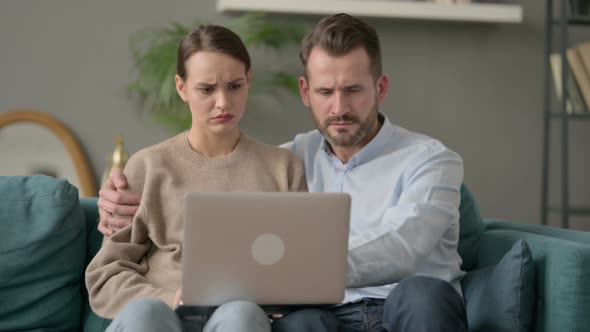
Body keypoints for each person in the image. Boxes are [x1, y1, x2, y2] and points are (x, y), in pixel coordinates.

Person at [97, 13, 469, 332]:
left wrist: (302, 267)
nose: (339, 107)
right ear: (305, 92)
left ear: (380, 87)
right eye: (325, 92)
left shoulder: (431, 160)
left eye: (353, 90)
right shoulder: (290, 159)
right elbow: (230, 166)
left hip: (405, 304)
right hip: (327, 314)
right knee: (302, 322)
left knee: (421, 294)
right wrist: (111, 198)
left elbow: (407, 244)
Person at [85, 24, 307, 332]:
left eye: (234, 86)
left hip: (241, 318)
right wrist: (168, 298)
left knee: (241, 314)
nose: (223, 103)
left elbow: (298, 271)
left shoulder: (285, 168)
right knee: (146, 313)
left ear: (249, 80)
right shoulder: (148, 166)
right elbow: (106, 275)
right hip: (159, 316)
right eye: (207, 89)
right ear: (181, 87)